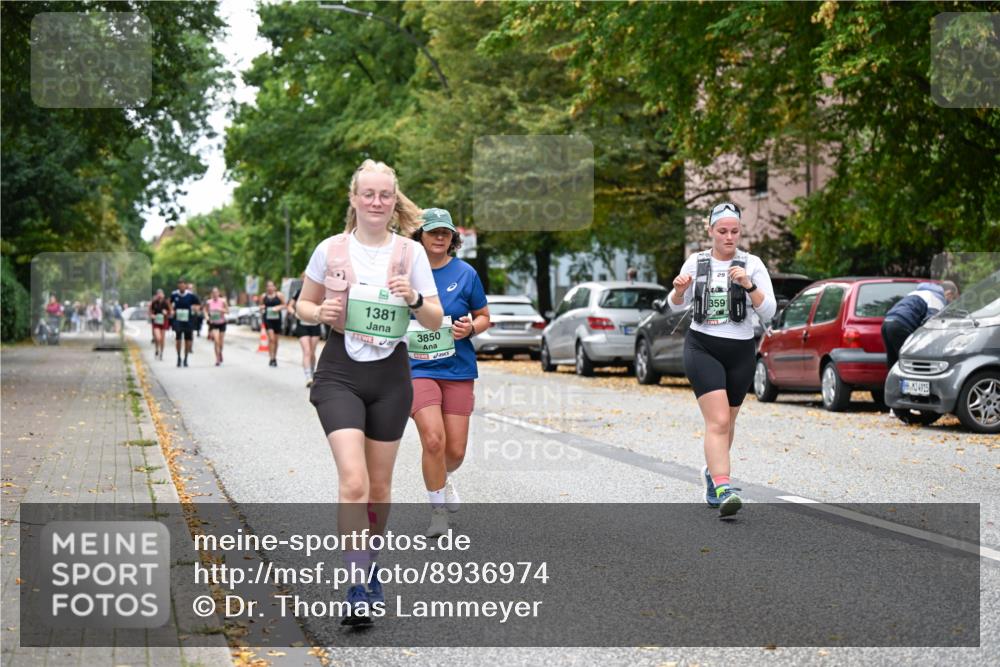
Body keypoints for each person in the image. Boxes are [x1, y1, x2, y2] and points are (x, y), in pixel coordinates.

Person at [294, 159, 442, 625]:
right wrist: (319, 314)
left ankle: (370, 566)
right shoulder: (330, 249)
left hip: (391, 378)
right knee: (354, 481)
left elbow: (435, 319)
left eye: (384, 195)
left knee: (378, 488)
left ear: (393, 201)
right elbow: (302, 303)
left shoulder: (410, 255)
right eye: (368, 194)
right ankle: (357, 584)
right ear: (354, 199)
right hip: (339, 371)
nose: (376, 202)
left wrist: (415, 299)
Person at [667, 202, 776, 517]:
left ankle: (712, 473)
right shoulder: (696, 262)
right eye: (723, 231)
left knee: (729, 421)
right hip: (703, 347)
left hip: (740, 350)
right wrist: (677, 291)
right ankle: (724, 487)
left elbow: (769, 312)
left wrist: (748, 285)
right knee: (718, 421)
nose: (729, 237)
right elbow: (674, 306)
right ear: (711, 231)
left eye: (735, 231)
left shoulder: (751, 264)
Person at [407, 208, 490, 538]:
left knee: (454, 451)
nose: (439, 237)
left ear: (452, 238)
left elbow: (484, 316)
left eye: (445, 232)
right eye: (433, 232)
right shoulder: (407, 273)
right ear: (421, 237)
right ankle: (437, 510)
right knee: (433, 438)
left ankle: (442, 477)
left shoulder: (466, 273)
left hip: (457, 368)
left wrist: (470, 327)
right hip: (417, 367)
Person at [881, 281, 958, 371]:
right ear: (949, 294)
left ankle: (893, 384)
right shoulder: (936, 298)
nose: (951, 303)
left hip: (886, 324)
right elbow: (931, 323)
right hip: (900, 326)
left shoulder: (916, 293)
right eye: (954, 299)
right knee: (913, 363)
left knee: (894, 363)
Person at [288, 274, 322, 387]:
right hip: (302, 325)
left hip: (315, 325)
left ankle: (312, 373)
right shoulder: (299, 292)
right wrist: (295, 313)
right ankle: (308, 377)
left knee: (312, 352)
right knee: (307, 351)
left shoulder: (320, 291)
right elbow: (289, 306)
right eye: (304, 278)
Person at [169, 278, 201, 367]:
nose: (181, 286)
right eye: (180, 284)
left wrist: (195, 309)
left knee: (188, 340)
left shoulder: (191, 295)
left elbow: (198, 304)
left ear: (185, 285)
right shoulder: (174, 294)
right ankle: (179, 357)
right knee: (178, 339)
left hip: (188, 320)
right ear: (178, 286)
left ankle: (186, 358)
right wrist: (171, 310)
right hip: (178, 320)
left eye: (183, 284)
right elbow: (169, 303)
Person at [260, 281, 286, 367]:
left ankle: (274, 357)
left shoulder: (279, 295)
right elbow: (260, 306)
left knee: (276, 340)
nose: (270, 288)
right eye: (268, 286)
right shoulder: (263, 296)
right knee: (271, 339)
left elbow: (285, 305)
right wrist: (262, 308)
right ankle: (271, 358)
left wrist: (278, 307)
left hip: (277, 319)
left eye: (272, 286)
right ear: (266, 288)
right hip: (268, 319)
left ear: (275, 287)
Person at [204, 287, 229, 366]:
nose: (215, 294)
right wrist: (207, 317)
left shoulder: (223, 301)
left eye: (216, 292)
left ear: (219, 293)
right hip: (213, 323)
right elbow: (205, 310)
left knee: (221, 343)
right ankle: (217, 359)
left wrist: (221, 310)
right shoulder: (209, 302)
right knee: (216, 341)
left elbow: (228, 311)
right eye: (213, 293)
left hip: (222, 323)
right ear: (211, 294)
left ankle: (220, 352)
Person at [149, 290, 170, 360]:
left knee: (162, 339)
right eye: (158, 294)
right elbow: (150, 312)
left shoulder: (166, 302)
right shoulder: (154, 302)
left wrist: (166, 313)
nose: (160, 295)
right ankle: (157, 349)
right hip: (156, 322)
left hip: (164, 322)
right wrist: (152, 315)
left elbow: (170, 312)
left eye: (161, 294)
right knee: (158, 338)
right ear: (157, 295)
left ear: (163, 295)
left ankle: (161, 353)